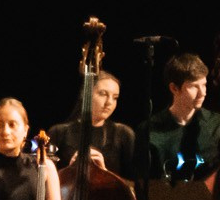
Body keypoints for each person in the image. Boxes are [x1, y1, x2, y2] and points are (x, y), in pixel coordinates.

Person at [142, 52, 216, 185]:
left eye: (204, 84)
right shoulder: (148, 130)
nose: (203, 93)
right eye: (194, 86)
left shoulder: (216, 125)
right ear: (174, 88)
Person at [49, 69, 136, 181]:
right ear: (85, 94)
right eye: (103, 94)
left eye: (115, 97)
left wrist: (104, 172)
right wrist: (71, 169)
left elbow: (134, 185)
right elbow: (46, 181)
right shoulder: (59, 132)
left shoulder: (123, 133)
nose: (109, 102)